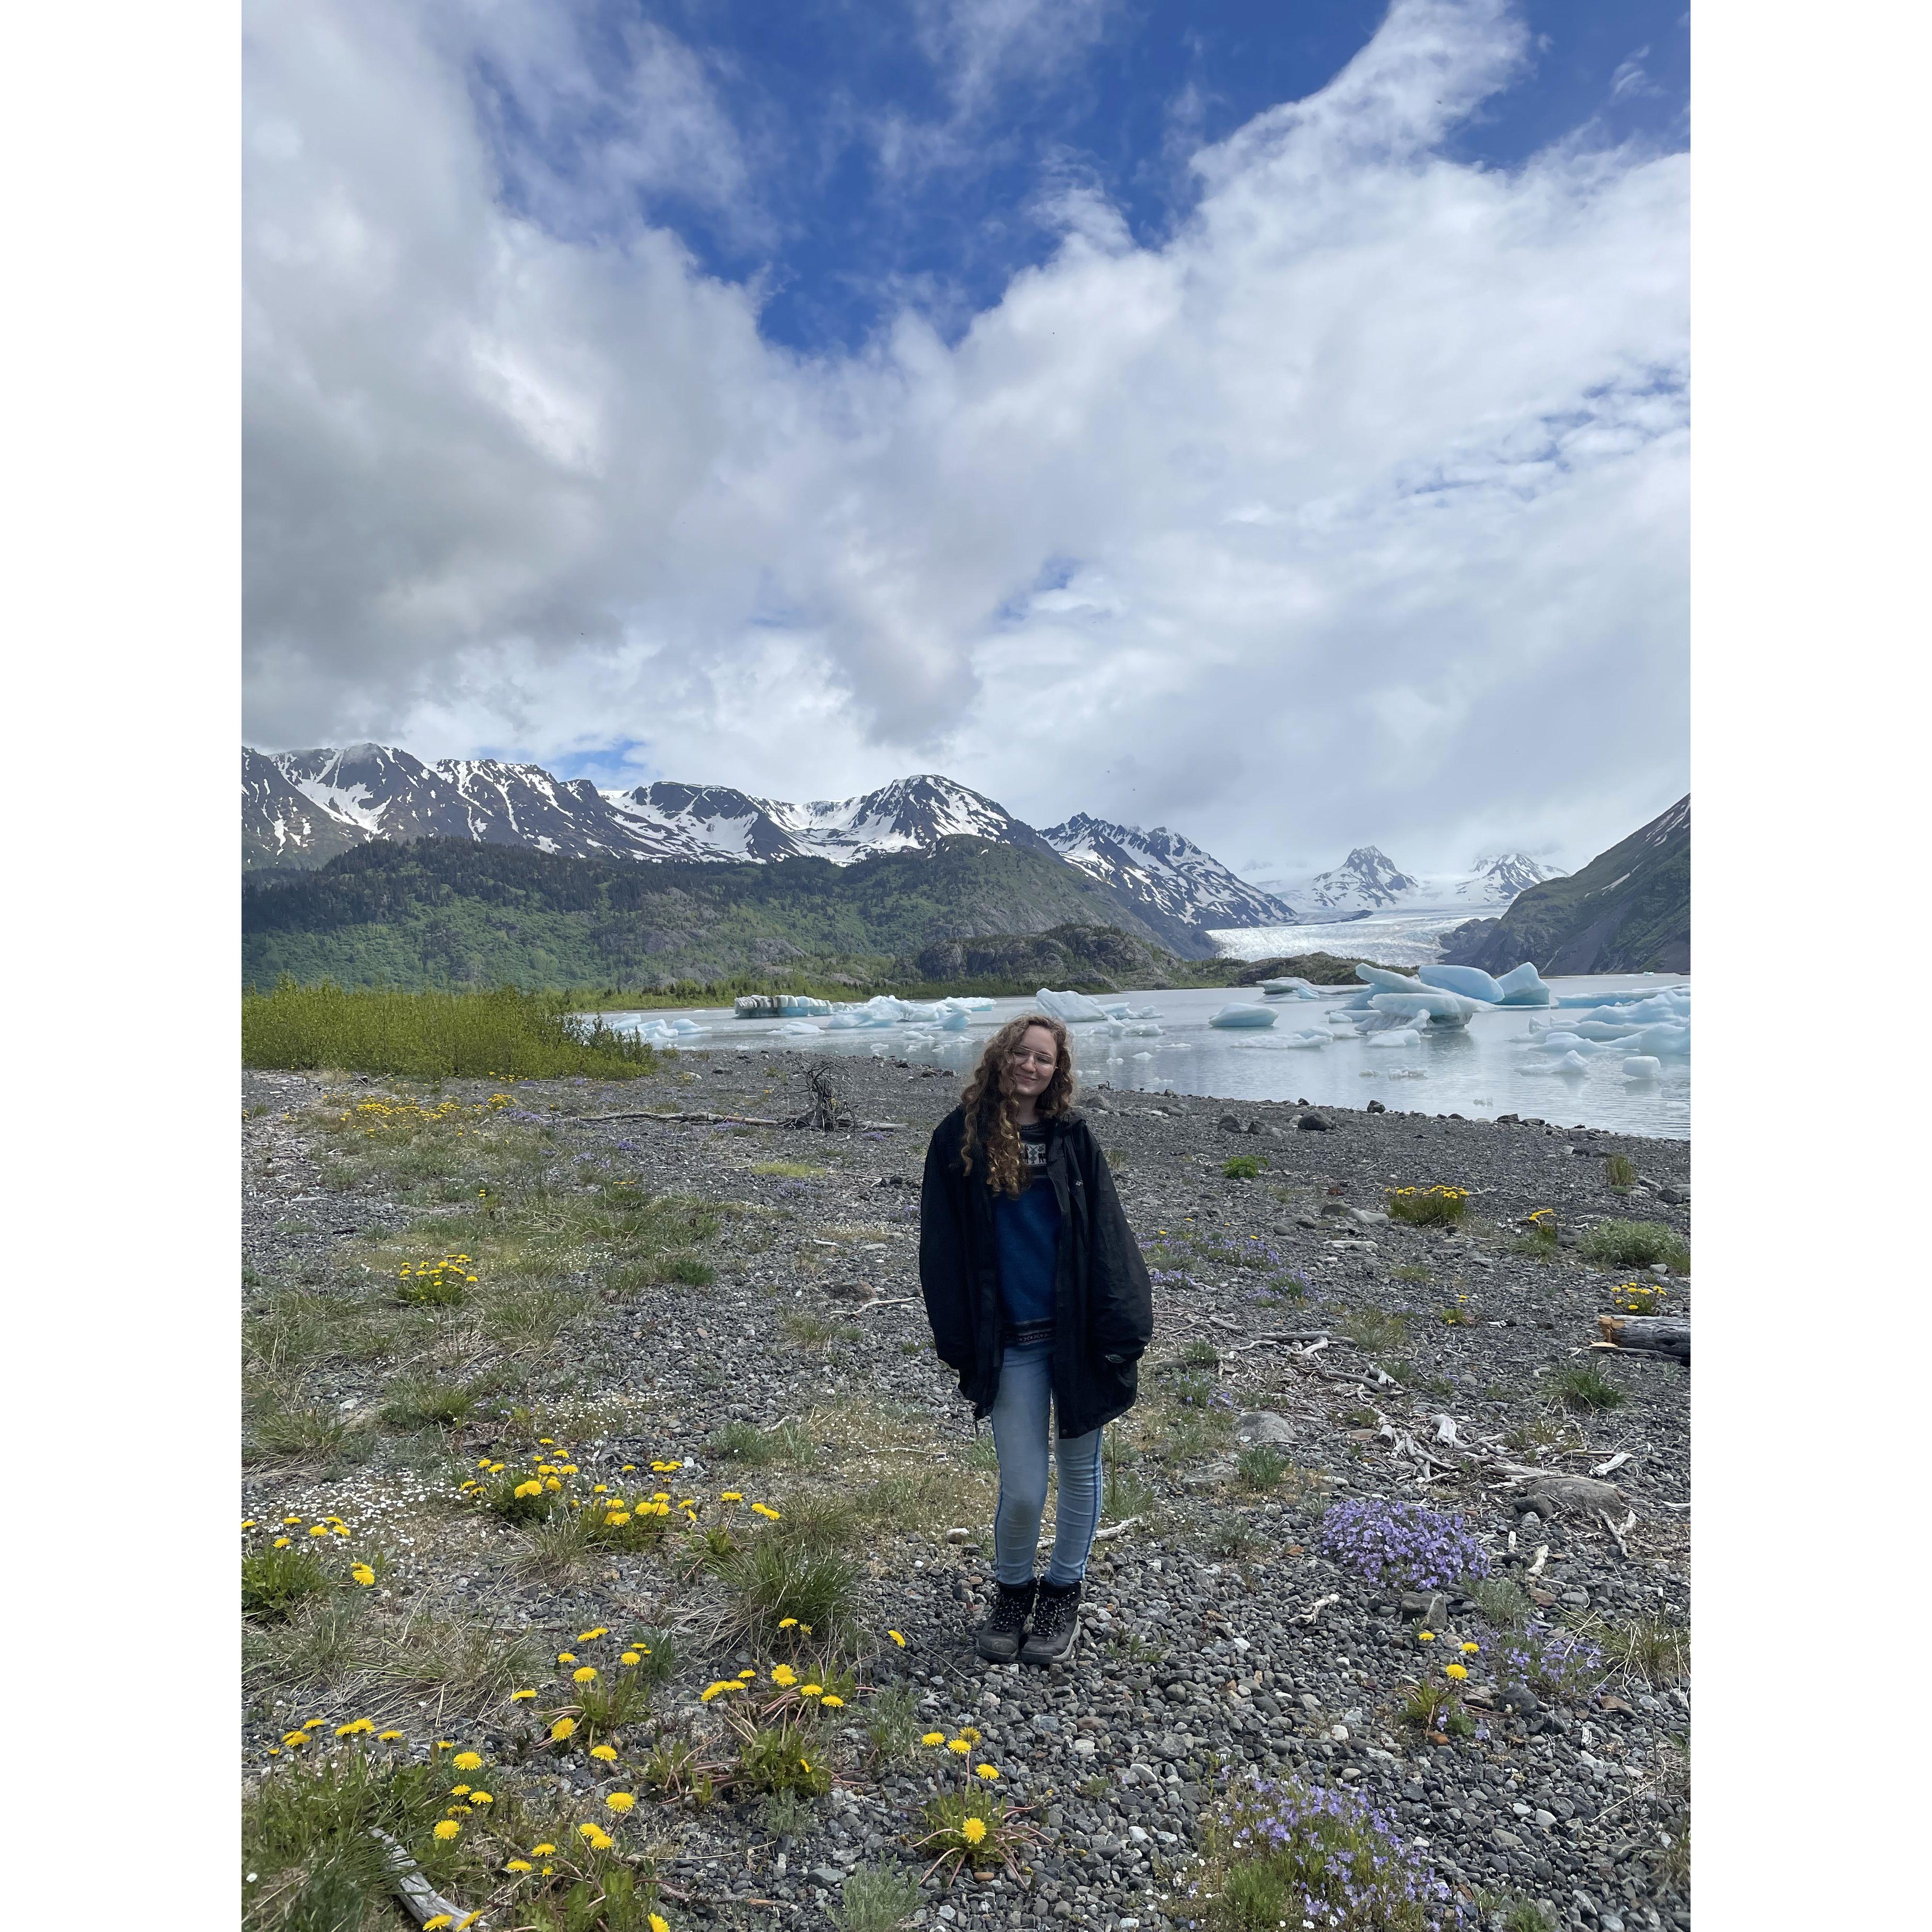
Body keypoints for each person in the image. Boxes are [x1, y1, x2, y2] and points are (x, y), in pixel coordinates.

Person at [918, 1013, 1153, 1666]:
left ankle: (1063, 1591)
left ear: (1059, 1071)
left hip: (1075, 1335)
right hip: (1011, 1339)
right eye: (1021, 1054)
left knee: (1080, 1473)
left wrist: (1123, 1329)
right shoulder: (957, 1140)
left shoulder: (1074, 1139)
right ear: (1000, 1058)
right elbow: (940, 1250)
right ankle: (1013, 1590)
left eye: (1044, 1059)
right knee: (1023, 1486)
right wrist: (958, 1341)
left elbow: (1109, 1236)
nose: (1031, 1066)